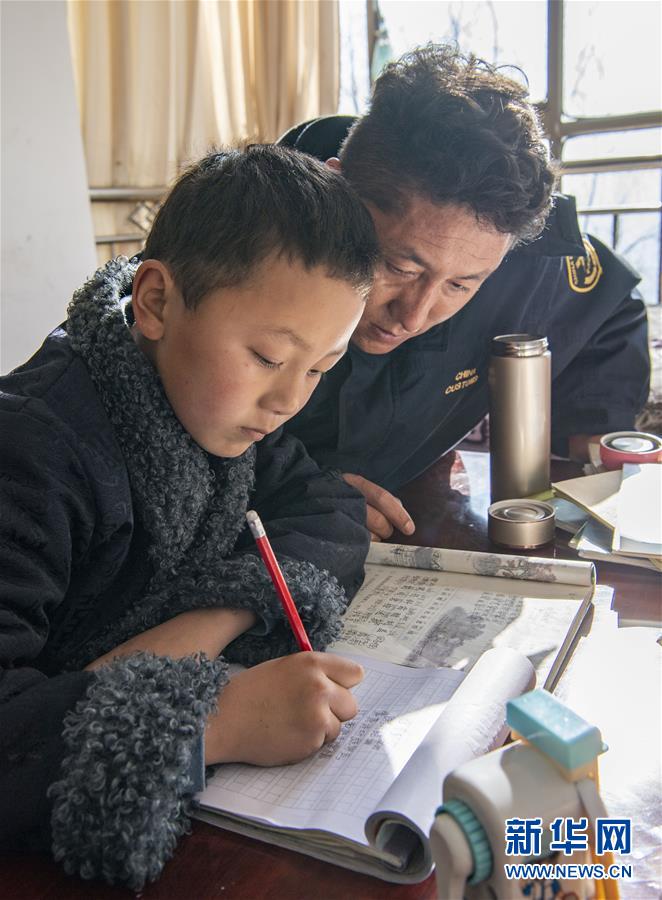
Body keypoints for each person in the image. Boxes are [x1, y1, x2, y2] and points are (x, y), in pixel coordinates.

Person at [0, 145, 380, 888]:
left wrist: (212, 619)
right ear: (155, 302)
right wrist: (219, 721)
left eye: (320, 369)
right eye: (268, 357)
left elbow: (332, 508)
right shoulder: (32, 451)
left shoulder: (211, 408)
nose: (289, 400)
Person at [279, 44, 650, 541]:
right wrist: (276, 487)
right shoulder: (241, 256)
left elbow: (611, 307)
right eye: (399, 267)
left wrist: (587, 432)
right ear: (335, 189)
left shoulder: (518, 249)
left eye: (460, 285)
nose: (414, 315)